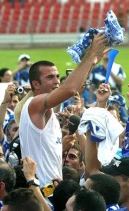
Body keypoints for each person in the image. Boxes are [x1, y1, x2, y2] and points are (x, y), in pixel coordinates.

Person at [17, 33, 108, 188]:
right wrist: (91, 56)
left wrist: (92, 61)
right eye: (50, 77)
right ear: (36, 84)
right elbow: (71, 89)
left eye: (58, 76)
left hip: (49, 190)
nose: (57, 81)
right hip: (42, 194)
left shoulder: (46, 110)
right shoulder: (34, 103)